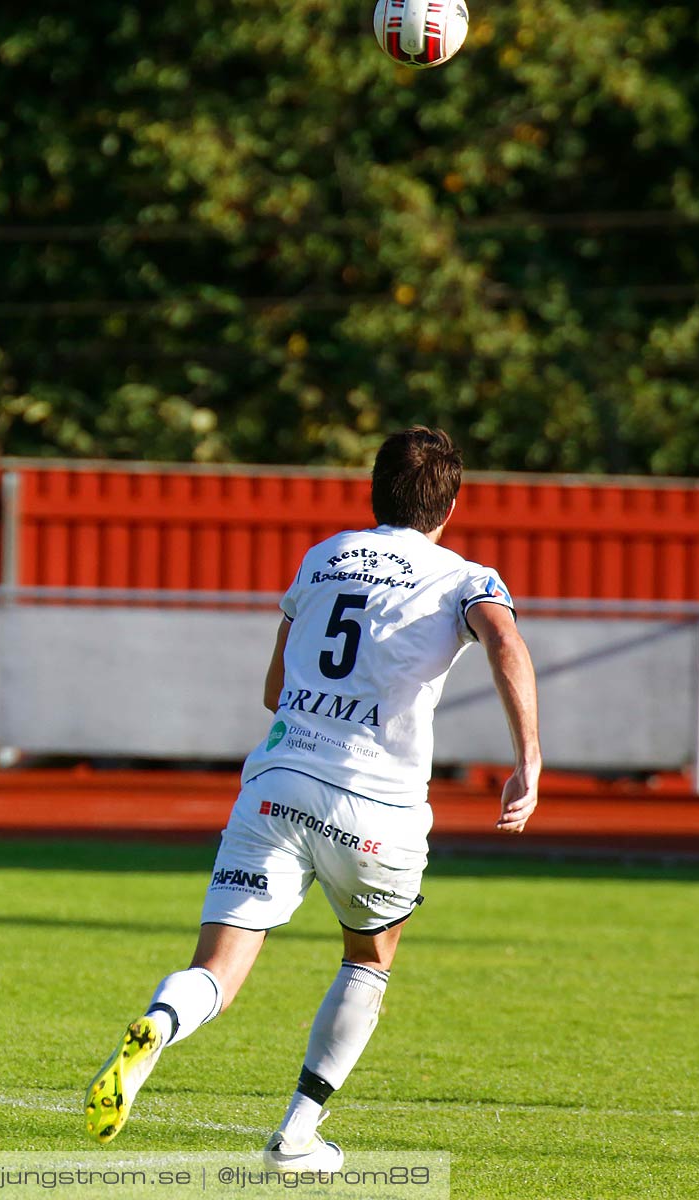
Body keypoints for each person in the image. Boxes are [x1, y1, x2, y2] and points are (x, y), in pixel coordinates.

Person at [83, 427, 541, 1170]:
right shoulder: (465, 576)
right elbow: (506, 642)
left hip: (276, 784)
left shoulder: (324, 556)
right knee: (368, 957)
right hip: (375, 805)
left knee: (218, 969)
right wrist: (529, 759)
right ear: (450, 503)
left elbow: (273, 691)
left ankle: (161, 1023)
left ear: (373, 490)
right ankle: (296, 1135)